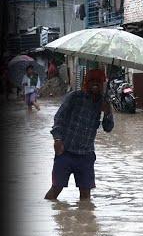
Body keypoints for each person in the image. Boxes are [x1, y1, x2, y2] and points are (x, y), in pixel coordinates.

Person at [44, 69, 114, 201]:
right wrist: (57, 139)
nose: (95, 84)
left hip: (86, 155)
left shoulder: (103, 102)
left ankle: (85, 221)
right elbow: (59, 118)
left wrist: (108, 112)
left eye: (98, 82)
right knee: (56, 189)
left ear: (102, 85)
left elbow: (108, 128)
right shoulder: (74, 97)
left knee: (86, 196)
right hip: (65, 151)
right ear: (86, 83)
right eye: (92, 81)